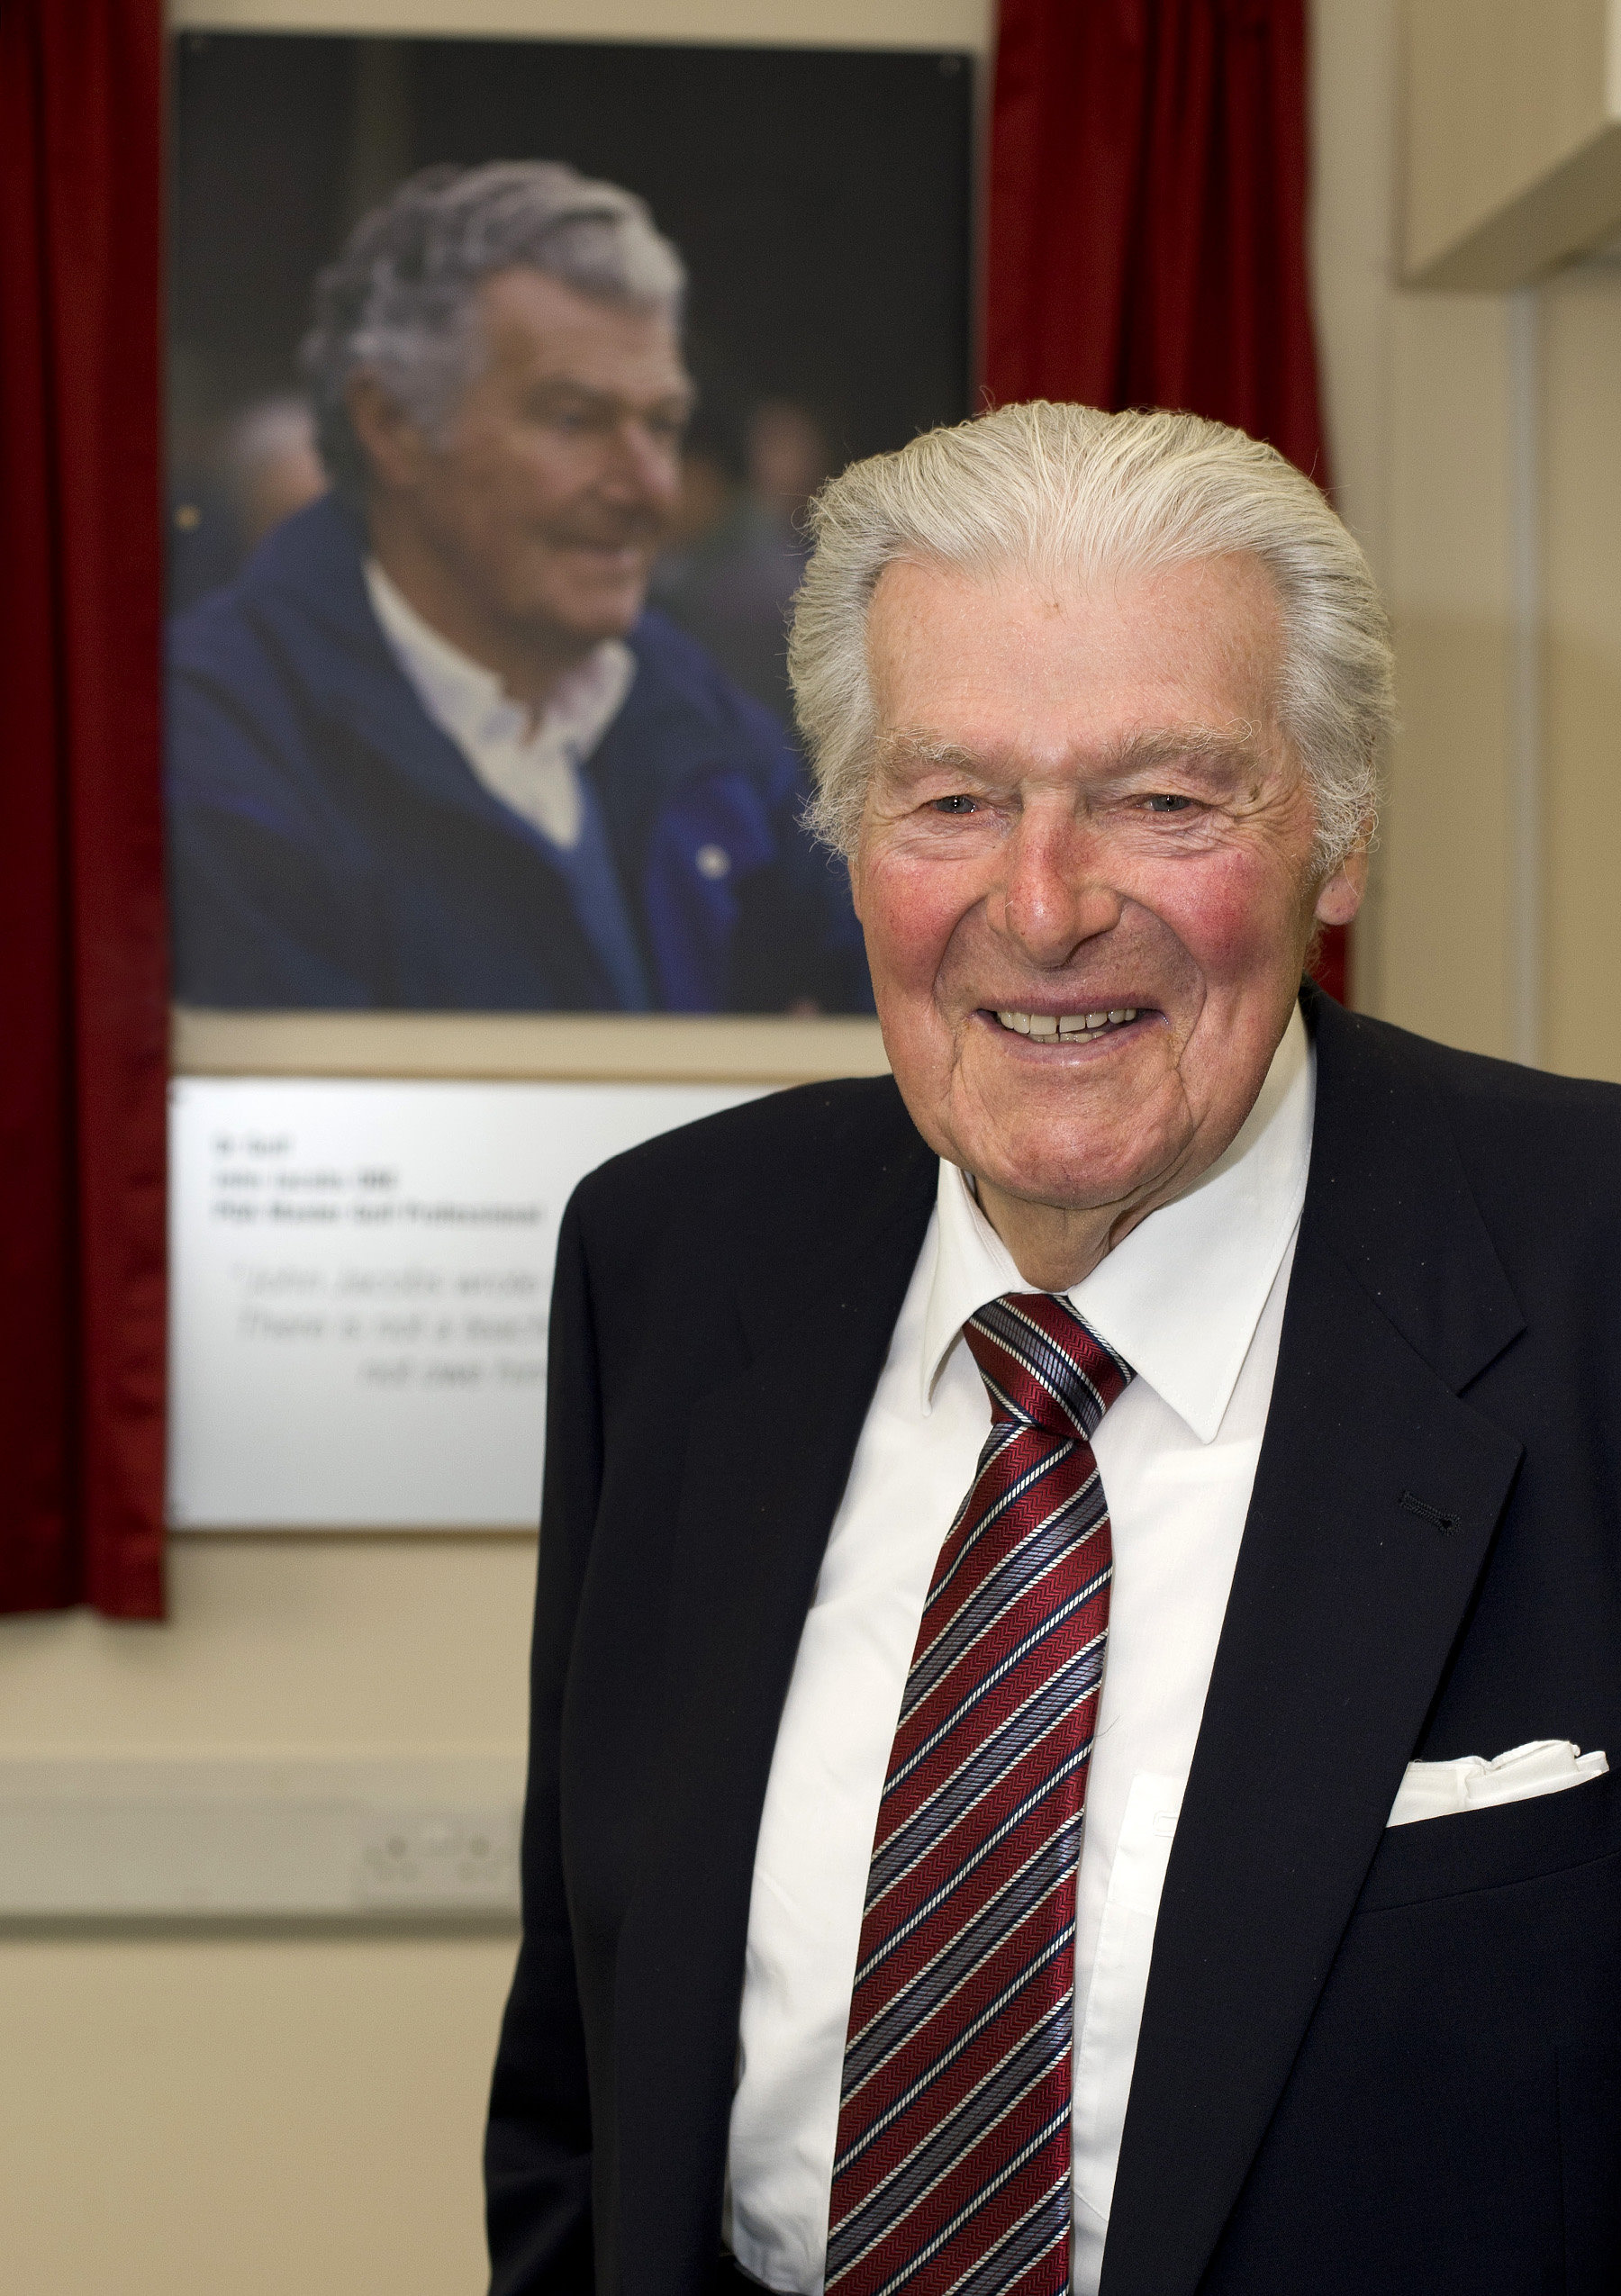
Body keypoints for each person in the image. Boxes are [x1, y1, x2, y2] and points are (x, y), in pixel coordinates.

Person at [484, 402, 1621, 2295]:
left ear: (1336, 844)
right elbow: (584, 2072)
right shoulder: (671, 1263)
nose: (1043, 907)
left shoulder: (1592, 1271)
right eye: (952, 802)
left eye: (1167, 800)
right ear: (852, 849)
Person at [166, 162, 866, 1013]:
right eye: (575, 419)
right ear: (390, 426)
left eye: (663, 425)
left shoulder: (699, 718)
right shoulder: (211, 740)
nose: (649, 488)